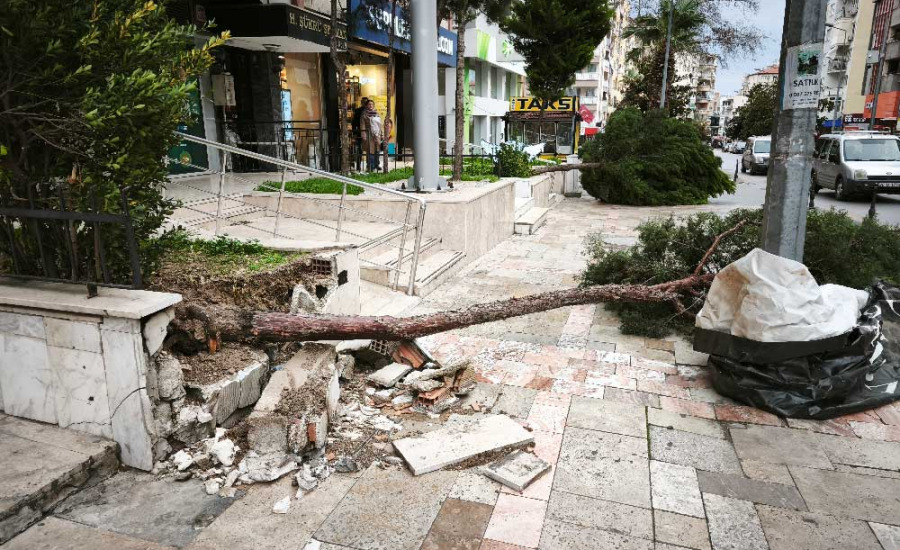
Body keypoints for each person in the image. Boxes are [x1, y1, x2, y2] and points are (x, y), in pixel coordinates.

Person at [361, 99, 383, 172]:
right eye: (369, 104)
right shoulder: (364, 115)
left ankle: (377, 164)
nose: (370, 105)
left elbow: (379, 125)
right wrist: (364, 135)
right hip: (369, 134)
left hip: (377, 135)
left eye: (372, 104)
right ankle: (371, 166)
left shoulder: (376, 113)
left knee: (377, 150)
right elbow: (362, 125)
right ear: (367, 105)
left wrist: (381, 134)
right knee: (370, 151)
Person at [351, 97, 368, 171]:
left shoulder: (370, 111)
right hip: (359, 133)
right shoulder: (357, 111)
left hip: (368, 133)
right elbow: (354, 123)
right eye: (363, 102)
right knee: (359, 150)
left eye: (366, 102)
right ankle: (358, 166)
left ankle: (371, 165)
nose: (364, 103)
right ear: (361, 102)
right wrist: (354, 133)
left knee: (369, 149)